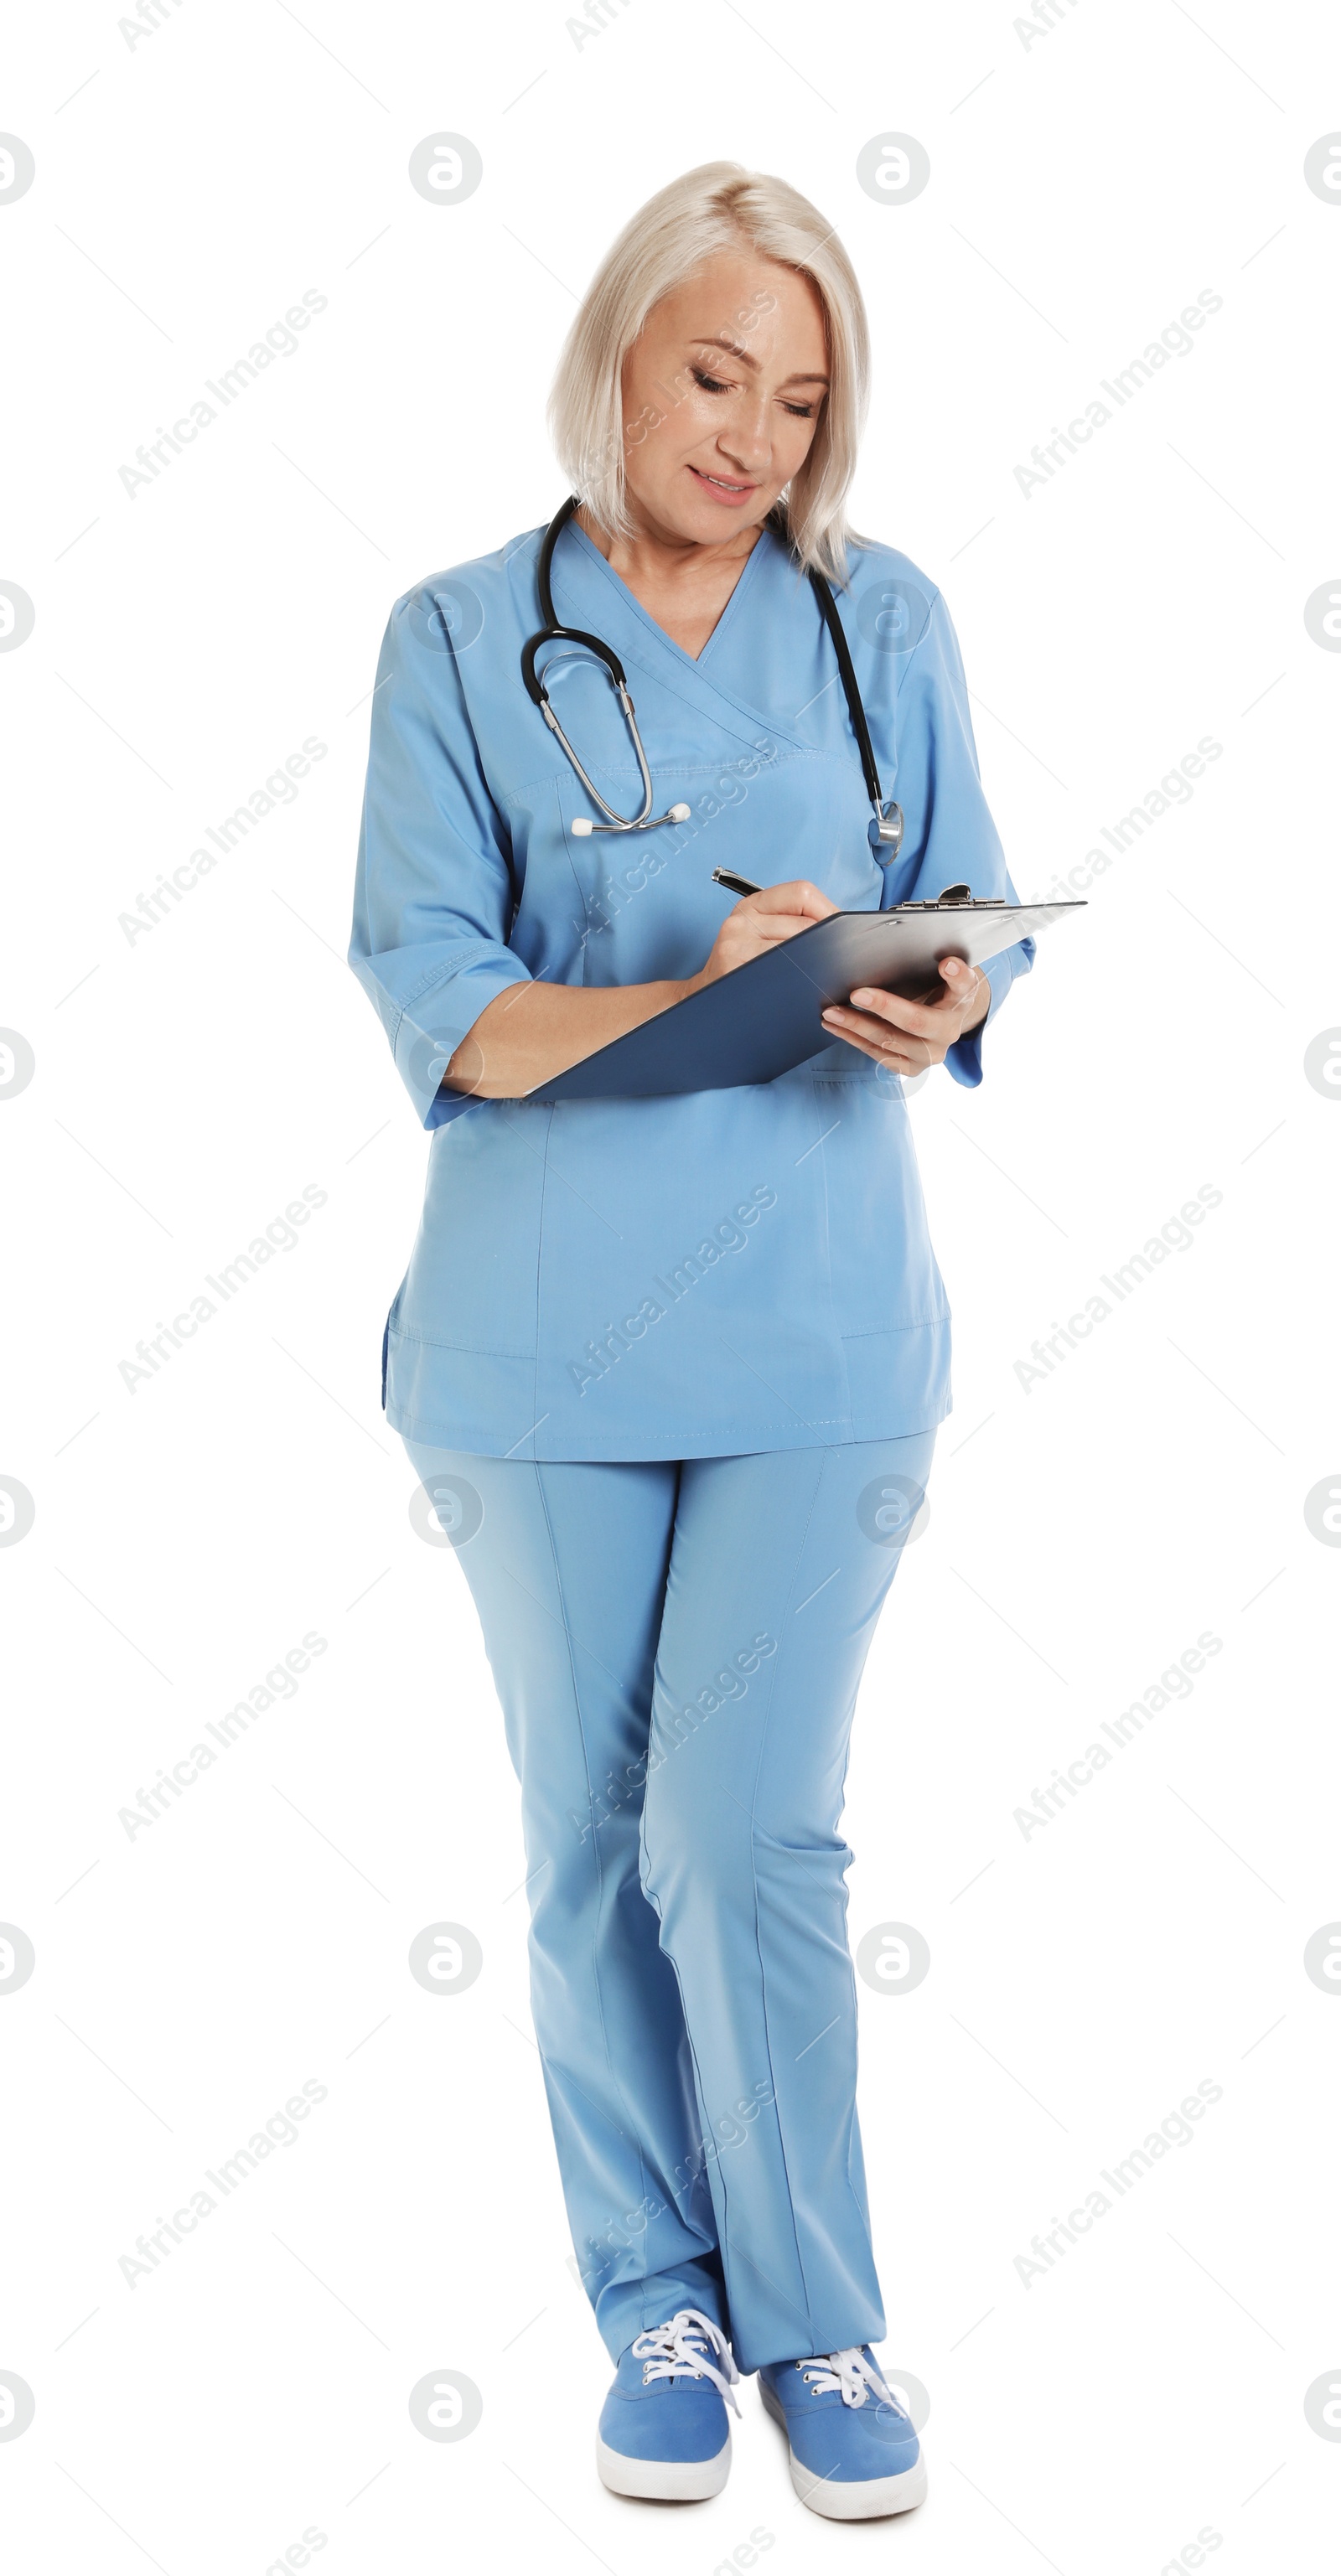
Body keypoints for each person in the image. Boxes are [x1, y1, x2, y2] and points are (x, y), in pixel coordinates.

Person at [349, 161, 1033, 2521]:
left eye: (802, 395)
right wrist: (707, 994)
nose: (753, 435)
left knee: (741, 1832)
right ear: (621, 352)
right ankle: (657, 2296)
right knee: (583, 1835)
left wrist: (920, 979)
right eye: (715, 373)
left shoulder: (883, 618)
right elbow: (438, 998)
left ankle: (820, 2317)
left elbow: (975, 940)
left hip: (821, 1333)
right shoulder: (457, 639)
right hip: (538, 1346)